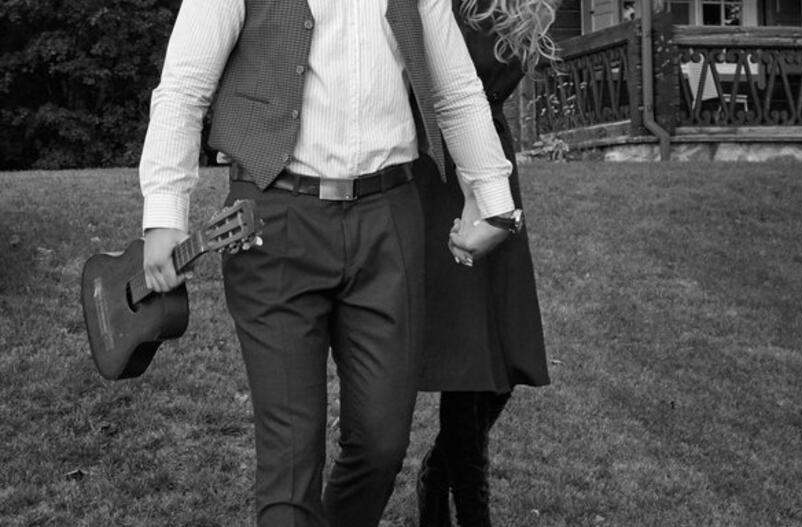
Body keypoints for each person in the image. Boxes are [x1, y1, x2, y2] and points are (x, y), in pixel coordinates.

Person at [138, 1, 522, 525]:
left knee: (382, 446)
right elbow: (183, 87)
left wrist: (495, 200)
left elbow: (455, 88)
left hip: (389, 218)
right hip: (271, 220)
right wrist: (165, 212)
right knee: (291, 462)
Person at [415, 1, 558, 525]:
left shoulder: (529, 8)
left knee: (503, 353)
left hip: (494, 165)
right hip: (440, 169)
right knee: (468, 356)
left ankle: (437, 474)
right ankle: (472, 511)